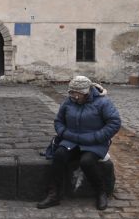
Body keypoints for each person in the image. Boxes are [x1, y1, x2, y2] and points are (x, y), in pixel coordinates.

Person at [37, 76, 121, 210]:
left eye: (77, 93)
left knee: (86, 161)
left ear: (86, 92)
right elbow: (58, 121)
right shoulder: (68, 102)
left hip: (94, 143)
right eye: (71, 92)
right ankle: (54, 195)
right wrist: (64, 133)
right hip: (71, 140)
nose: (74, 96)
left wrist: (96, 137)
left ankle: (101, 192)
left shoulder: (103, 102)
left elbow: (114, 122)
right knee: (59, 155)